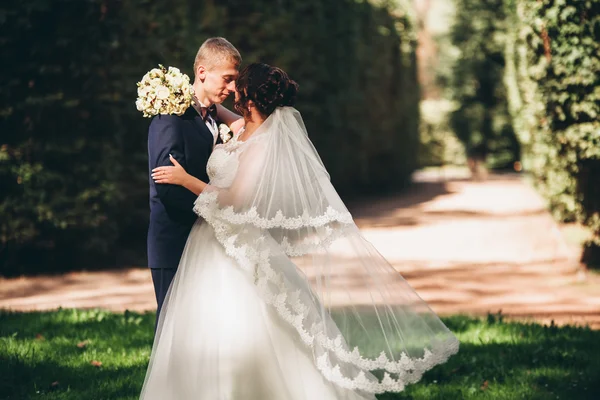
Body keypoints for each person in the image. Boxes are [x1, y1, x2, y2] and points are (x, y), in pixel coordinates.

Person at [142, 63, 459, 399]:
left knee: (245, 324)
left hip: (234, 247)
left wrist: (186, 180)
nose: (232, 89)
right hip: (209, 243)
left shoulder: (263, 143)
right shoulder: (238, 129)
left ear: (249, 98)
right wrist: (183, 98)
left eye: (239, 85)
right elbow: (214, 110)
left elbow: (233, 201)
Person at [146, 37, 242, 330]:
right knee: (174, 329)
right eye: (227, 79)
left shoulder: (211, 115)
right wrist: (213, 212)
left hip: (204, 240)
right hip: (174, 239)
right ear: (202, 72)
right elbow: (167, 186)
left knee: (203, 329)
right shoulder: (170, 117)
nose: (233, 88)